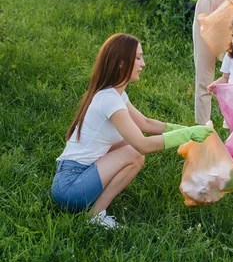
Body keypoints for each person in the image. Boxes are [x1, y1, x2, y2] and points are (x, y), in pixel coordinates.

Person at [51, 33, 213, 229]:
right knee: (135, 153)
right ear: (120, 62)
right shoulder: (109, 99)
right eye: (137, 58)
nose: (142, 63)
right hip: (71, 187)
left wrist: (188, 129)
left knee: (128, 145)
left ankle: (95, 210)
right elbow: (142, 145)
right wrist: (186, 135)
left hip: (73, 179)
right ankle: (95, 214)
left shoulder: (116, 94)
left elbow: (144, 123)